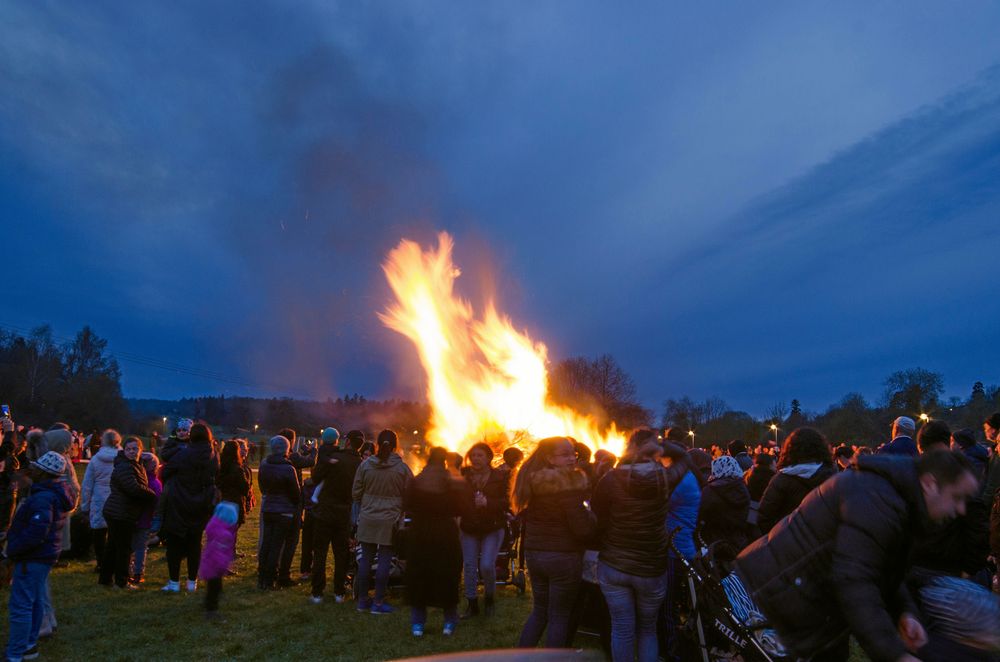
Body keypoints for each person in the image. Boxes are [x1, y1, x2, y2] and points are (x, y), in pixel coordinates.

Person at [733, 450, 981, 662]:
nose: (960, 510)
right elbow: (855, 581)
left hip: (793, 598)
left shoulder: (894, 499)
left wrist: (904, 613)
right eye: (957, 497)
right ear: (929, 483)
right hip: (769, 598)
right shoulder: (877, 499)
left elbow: (881, 569)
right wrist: (895, 653)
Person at [592, 429, 675, 662]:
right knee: (647, 629)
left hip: (615, 563)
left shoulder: (611, 478)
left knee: (622, 627)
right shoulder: (666, 478)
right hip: (651, 565)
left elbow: (598, 515)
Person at [515, 436, 596, 649]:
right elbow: (582, 528)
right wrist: (591, 516)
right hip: (563, 556)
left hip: (535, 554)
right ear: (550, 458)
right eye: (565, 455)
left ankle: (521, 656)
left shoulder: (530, 481)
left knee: (540, 611)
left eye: (574, 454)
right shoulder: (568, 484)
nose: (572, 459)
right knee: (559, 615)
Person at [3, 452, 74, 662]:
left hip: (33, 558)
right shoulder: (51, 493)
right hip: (43, 557)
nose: (32, 471)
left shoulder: (43, 497)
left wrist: (12, 549)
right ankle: (29, 645)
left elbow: (36, 532)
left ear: (44, 473)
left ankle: (15, 653)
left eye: (36, 468)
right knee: (34, 601)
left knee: (21, 605)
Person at [405, 447, 464, 637]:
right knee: (447, 578)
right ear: (445, 461)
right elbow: (459, 507)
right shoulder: (450, 481)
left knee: (419, 578)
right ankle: (449, 622)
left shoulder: (417, 480)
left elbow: (407, 504)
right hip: (445, 534)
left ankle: (417, 624)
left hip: (420, 533)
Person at [352, 429, 412, 614]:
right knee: (385, 559)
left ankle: (362, 601)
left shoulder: (365, 465)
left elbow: (355, 492)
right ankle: (378, 602)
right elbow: (411, 494)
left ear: (377, 444)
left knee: (365, 559)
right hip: (390, 520)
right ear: (395, 446)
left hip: (368, 517)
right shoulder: (402, 469)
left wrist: (367, 504)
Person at [160, 422, 220, 592]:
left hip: (180, 501)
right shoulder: (214, 455)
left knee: (174, 545)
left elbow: (166, 471)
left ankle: (174, 582)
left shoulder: (183, 454)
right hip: (202, 503)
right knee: (195, 543)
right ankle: (192, 581)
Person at [661, 440, 704, 662]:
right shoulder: (687, 477)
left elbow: (657, 503)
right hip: (682, 548)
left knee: (667, 607)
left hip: (675, 551)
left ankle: (671, 653)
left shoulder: (680, 482)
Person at [309, 431, 363, 604]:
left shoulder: (335, 457)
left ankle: (317, 592)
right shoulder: (360, 463)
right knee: (341, 554)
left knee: (320, 553)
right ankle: (339, 591)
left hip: (325, 510)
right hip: (344, 512)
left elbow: (316, 477)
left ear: (347, 442)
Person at [459, 442, 508, 619]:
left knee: (487, 565)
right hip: (470, 526)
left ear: (488, 458)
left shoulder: (500, 477)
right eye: (473, 455)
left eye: (480, 455)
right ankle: (472, 604)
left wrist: (488, 503)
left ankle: (489, 598)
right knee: (470, 566)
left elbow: (507, 502)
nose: (476, 459)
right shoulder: (464, 476)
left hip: (492, 526)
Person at [99, 437, 156, 588]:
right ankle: (121, 581)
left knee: (112, 546)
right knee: (123, 549)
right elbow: (133, 488)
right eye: (129, 449)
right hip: (121, 512)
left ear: (140, 450)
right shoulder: (125, 466)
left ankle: (105, 579)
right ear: (124, 451)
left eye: (135, 449)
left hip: (119, 511)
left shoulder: (135, 465)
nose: (132, 452)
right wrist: (152, 495)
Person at [756, 428, 836, 535]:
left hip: (787, 542)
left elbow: (764, 517)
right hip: (823, 541)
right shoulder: (833, 477)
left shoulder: (781, 479)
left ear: (789, 449)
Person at [257, 435, 301, 590]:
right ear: (286, 449)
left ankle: (261, 578)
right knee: (276, 546)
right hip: (284, 511)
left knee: (266, 545)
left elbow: (261, 485)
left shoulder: (264, 464)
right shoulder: (289, 469)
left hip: (268, 508)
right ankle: (269, 580)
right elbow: (296, 494)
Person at [79, 429, 121, 573]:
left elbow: (87, 485)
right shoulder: (123, 458)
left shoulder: (96, 459)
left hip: (99, 498)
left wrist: (85, 506)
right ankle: (115, 561)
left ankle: (101, 562)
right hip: (118, 497)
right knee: (116, 531)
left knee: (99, 532)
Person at [697, 455, 752, 556]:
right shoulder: (742, 488)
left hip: (714, 542)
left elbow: (700, 514)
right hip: (738, 541)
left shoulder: (710, 491)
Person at [199, 501, 239, 622]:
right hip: (215, 567)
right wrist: (222, 566)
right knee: (214, 589)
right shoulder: (224, 534)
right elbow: (218, 553)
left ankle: (209, 603)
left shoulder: (215, 527)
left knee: (214, 587)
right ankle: (211, 611)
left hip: (209, 564)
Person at [131, 452, 161, 584]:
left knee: (130, 546)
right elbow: (157, 502)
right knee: (141, 547)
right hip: (146, 519)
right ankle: (138, 572)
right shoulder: (155, 483)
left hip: (132, 517)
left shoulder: (135, 481)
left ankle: (127, 569)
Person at [744, 452, 776, 527]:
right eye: (774, 464)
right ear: (769, 464)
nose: (776, 466)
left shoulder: (749, 474)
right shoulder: (771, 478)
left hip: (749, 513)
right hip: (764, 514)